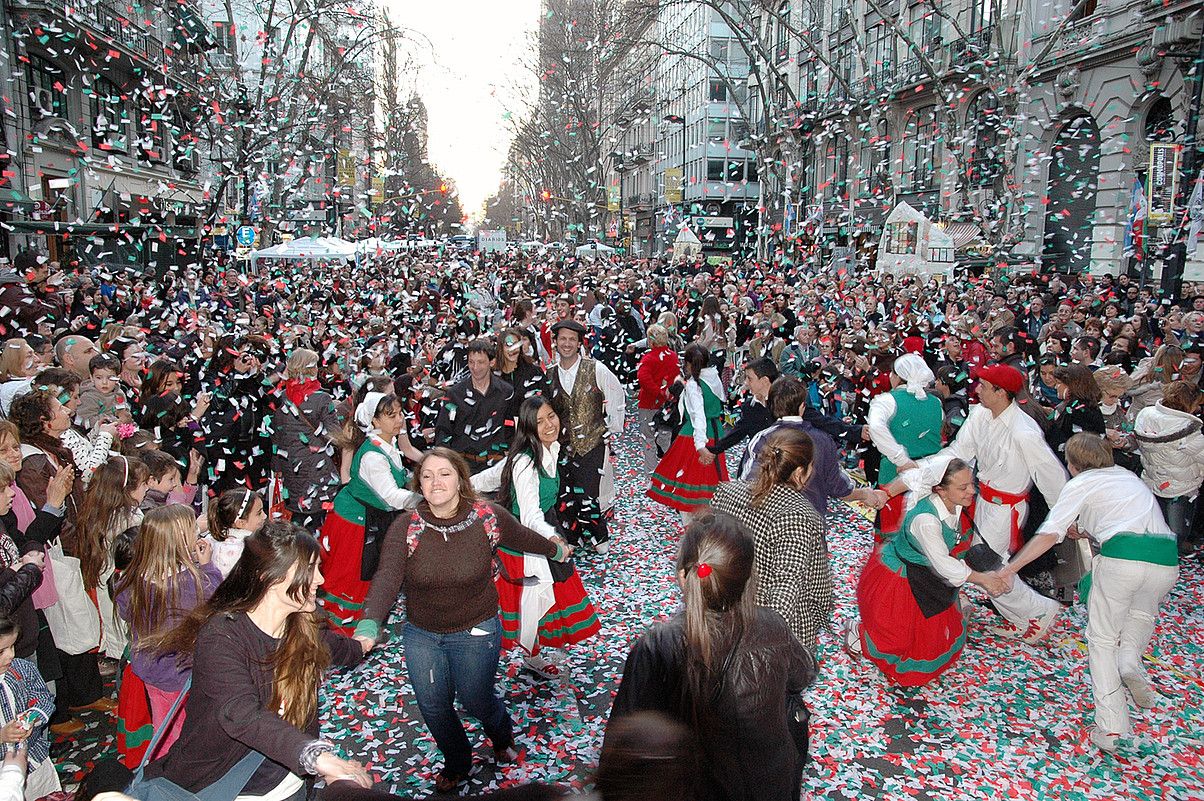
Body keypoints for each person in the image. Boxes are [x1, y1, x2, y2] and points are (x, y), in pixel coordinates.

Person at [352, 448, 571, 794]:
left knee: (476, 698)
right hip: (423, 633)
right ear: (419, 484)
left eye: (444, 474)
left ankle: (501, 734)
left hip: (476, 630)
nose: (435, 482)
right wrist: (369, 623)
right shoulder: (405, 527)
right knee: (433, 705)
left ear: (460, 480)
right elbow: (387, 578)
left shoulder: (487, 518)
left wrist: (555, 548)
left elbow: (523, 537)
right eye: (427, 475)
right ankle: (457, 759)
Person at [139, 523, 373, 798]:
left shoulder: (303, 623)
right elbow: (241, 714)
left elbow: (337, 646)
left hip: (292, 784)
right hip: (232, 789)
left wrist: (363, 643)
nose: (320, 579)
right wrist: (315, 757)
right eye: (309, 569)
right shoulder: (222, 636)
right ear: (270, 577)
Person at [609, 513, 816, 801]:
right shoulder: (772, 625)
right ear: (746, 577)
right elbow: (804, 674)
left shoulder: (657, 646)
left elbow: (625, 739)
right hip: (770, 782)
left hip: (697, 787)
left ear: (684, 575)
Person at [1000, 434, 1179, 753]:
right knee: (1141, 611)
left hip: (1122, 559)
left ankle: (1111, 728)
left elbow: (1049, 535)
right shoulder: (1127, 477)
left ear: (1072, 465)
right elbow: (1124, 519)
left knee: (1102, 640)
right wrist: (1084, 530)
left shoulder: (1080, 483)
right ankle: (1130, 659)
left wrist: (1010, 568)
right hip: (1165, 559)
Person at [843, 459, 1045, 685]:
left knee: (928, 635)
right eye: (963, 487)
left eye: (971, 484)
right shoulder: (925, 520)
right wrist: (982, 579)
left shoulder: (956, 503)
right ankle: (858, 635)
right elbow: (942, 563)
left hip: (927, 577)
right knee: (895, 635)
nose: (972, 490)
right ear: (941, 490)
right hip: (902, 579)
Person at [472, 397, 601, 679]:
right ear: (528, 427)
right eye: (539, 421)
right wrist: (552, 540)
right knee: (528, 600)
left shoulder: (546, 450)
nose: (548, 425)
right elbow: (529, 514)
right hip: (525, 540)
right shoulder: (525, 461)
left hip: (541, 528)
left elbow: (495, 476)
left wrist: (464, 484)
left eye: (551, 416)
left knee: (537, 598)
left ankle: (532, 654)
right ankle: (521, 658)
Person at [114, 505, 222, 757]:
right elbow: (218, 606)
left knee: (166, 726)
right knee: (191, 729)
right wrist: (207, 568)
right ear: (180, 543)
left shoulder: (132, 579)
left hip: (153, 670)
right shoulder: (192, 583)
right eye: (194, 529)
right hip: (185, 674)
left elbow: (125, 613)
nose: (199, 533)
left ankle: (168, 766)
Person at [710, 428, 832, 651]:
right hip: (775, 637)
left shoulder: (727, 493)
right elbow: (799, 588)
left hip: (723, 618)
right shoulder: (798, 515)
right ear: (799, 473)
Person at [319, 392, 421, 634]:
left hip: (368, 519)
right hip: (354, 523)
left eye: (399, 414)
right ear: (374, 421)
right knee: (350, 577)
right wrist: (426, 499)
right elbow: (391, 496)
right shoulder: (374, 456)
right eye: (391, 415)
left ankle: (357, 630)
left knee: (363, 575)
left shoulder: (386, 443)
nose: (399, 420)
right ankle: (341, 634)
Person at [741, 377, 887, 521]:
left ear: (769, 405)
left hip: (769, 523)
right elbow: (838, 487)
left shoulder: (762, 439)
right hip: (810, 524)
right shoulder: (822, 440)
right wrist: (865, 494)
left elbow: (747, 483)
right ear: (802, 407)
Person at [544, 320, 624, 552]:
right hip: (561, 444)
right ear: (556, 342)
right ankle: (573, 537)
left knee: (588, 493)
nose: (567, 344)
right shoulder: (549, 375)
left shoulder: (595, 369)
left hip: (592, 443)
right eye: (562, 339)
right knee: (565, 493)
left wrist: (609, 428)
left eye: (572, 339)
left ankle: (600, 537)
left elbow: (616, 395)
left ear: (579, 343)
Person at [75, 456, 149, 660]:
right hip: (125, 587)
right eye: (144, 484)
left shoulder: (99, 511)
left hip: (107, 587)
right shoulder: (129, 519)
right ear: (127, 488)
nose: (147, 489)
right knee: (128, 641)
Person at [865, 353, 944, 538]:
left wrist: (900, 457)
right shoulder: (936, 402)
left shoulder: (886, 400)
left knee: (891, 532)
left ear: (895, 376)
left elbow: (875, 427)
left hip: (895, 473)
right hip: (929, 472)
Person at [649, 343, 729, 525]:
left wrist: (700, 446)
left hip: (695, 436)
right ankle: (707, 523)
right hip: (715, 432)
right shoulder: (714, 377)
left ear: (688, 364)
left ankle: (692, 528)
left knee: (688, 484)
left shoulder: (695, 384)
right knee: (708, 482)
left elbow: (698, 416)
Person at [272, 349, 342, 530]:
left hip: (291, 468)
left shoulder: (283, 397)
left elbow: (277, 437)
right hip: (317, 469)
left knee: (298, 519)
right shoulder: (322, 399)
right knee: (318, 521)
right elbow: (335, 435)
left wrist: (277, 467)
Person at [1133, 381, 1204, 554]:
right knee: (1176, 535)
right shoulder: (1189, 431)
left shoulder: (1145, 415)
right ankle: (1167, 565)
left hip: (1152, 479)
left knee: (1155, 529)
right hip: (1181, 487)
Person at [434, 338, 514, 473]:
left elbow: (511, 427)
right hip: (464, 466)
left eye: (481, 362)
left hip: (497, 466)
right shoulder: (455, 394)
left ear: (492, 362)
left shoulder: (506, 392)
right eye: (471, 362)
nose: (475, 368)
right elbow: (443, 430)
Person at [0, 615, 58, 799]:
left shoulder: (22, 669)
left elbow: (42, 697)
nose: (11, 655)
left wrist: (33, 717)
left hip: (35, 760)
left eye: (12, 646)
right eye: (1, 651)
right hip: (3, 774)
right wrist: (2, 735)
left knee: (47, 795)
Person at [708, 357, 776, 478]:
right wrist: (713, 450)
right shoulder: (750, 406)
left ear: (765, 380)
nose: (746, 383)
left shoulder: (785, 400)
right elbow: (738, 432)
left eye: (750, 379)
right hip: (756, 464)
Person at [634, 325, 679, 477]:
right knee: (666, 437)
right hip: (668, 405)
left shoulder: (648, 358)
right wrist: (667, 394)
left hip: (649, 404)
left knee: (649, 440)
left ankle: (651, 475)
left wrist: (658, 392)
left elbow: (643, 379)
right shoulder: (673, 356)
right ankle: (670, 472)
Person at [205, 488, 267, 578]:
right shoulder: (247, 549)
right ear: (240, 523)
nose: (264, 516)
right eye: (259, 513)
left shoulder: (214, 539)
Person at [75, 355, 132, 430]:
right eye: (99, 378)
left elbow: (123, 411)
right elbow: (83, 422)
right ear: (92, 378)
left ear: (117, 378)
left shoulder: (119, 393)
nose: (104, 382)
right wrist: (114, 420)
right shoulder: (88, 397)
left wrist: (125, 416)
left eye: (110, 378)